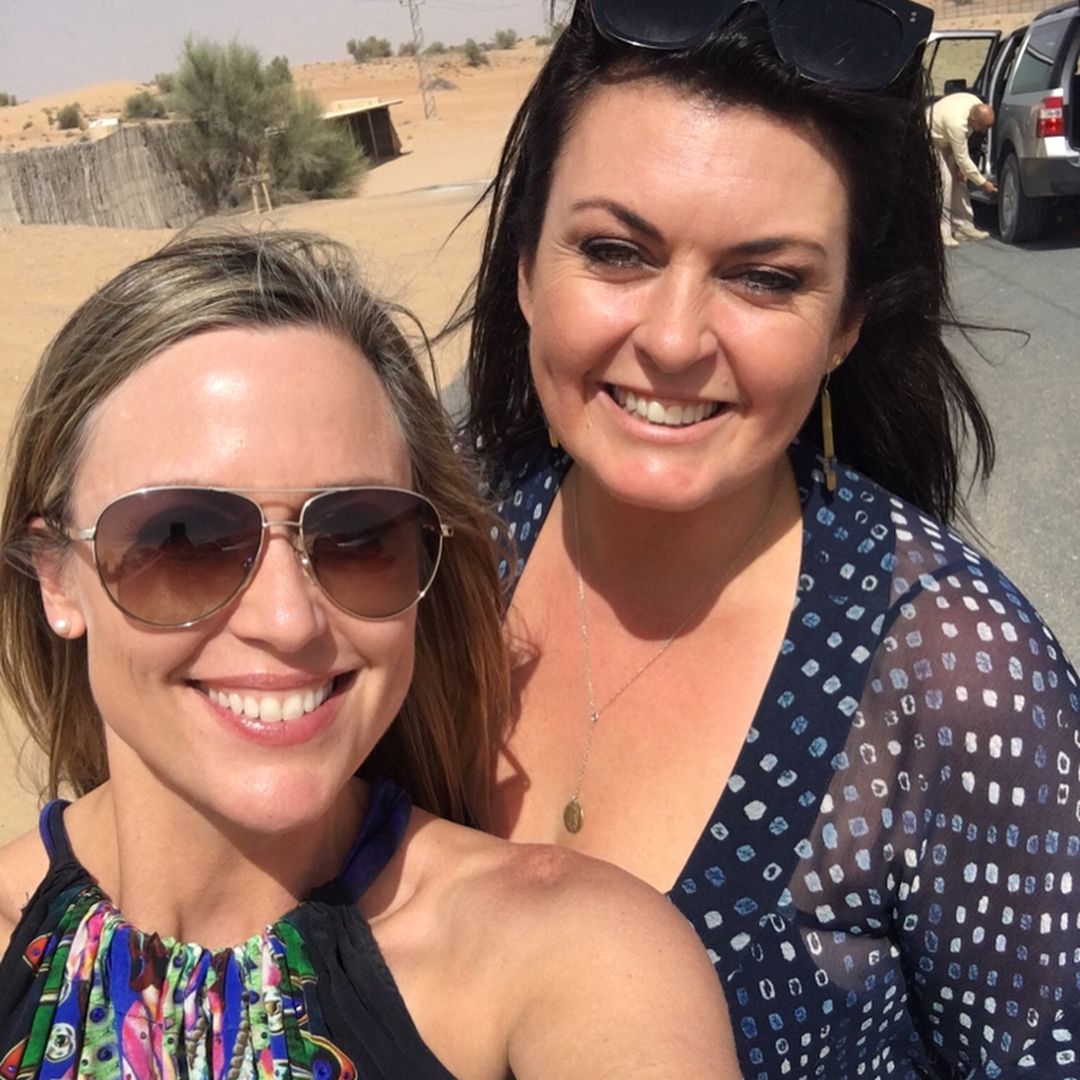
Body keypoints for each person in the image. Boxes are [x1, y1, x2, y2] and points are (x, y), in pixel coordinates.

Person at [460, 1, 1080, 1076]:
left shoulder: (959, 681)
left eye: (765, 277)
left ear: (847, 323)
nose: (672, 339)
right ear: (524, 268)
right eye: (614, 251)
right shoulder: (434, 546)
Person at [0, 230, 737, 1077]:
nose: (289, 620)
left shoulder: (572, 960)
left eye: (357, 537)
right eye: (185, 538)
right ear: (57, 578)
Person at [928, 91, 997, 246]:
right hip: (931, 139)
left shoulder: (975, 104)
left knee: (960, 181)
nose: (984, 131)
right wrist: (983, 183)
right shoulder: (957, 124)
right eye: (983, 127)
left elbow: (962, 155)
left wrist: (961, 168)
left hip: (949, 141)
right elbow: (963, 158)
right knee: (945, 184)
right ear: (972, 120)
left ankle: (964, 227)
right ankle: (943, 233)